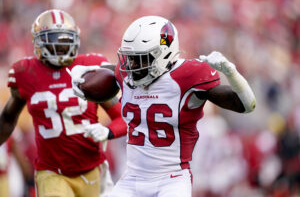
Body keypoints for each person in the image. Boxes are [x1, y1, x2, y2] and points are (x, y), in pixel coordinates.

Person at [70, 16, 256, 197]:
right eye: (129, 58)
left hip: (171, 179)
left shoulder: (189, 76)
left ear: (163, 54)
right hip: (132, 178)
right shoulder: (126, 73)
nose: (132, 65)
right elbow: (109, 71)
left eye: (140, 59)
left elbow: (246, 105)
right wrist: (84, 73)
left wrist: (232, 73)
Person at [0, 9, 127, 197]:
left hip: (91, 169)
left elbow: (122, 118)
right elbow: (8, 119)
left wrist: (107, 132)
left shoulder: (90, 69)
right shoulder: (25, 72)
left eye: (66, 40)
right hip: (51, 171)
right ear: (39, 42)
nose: (61, 46)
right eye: (54, 40)